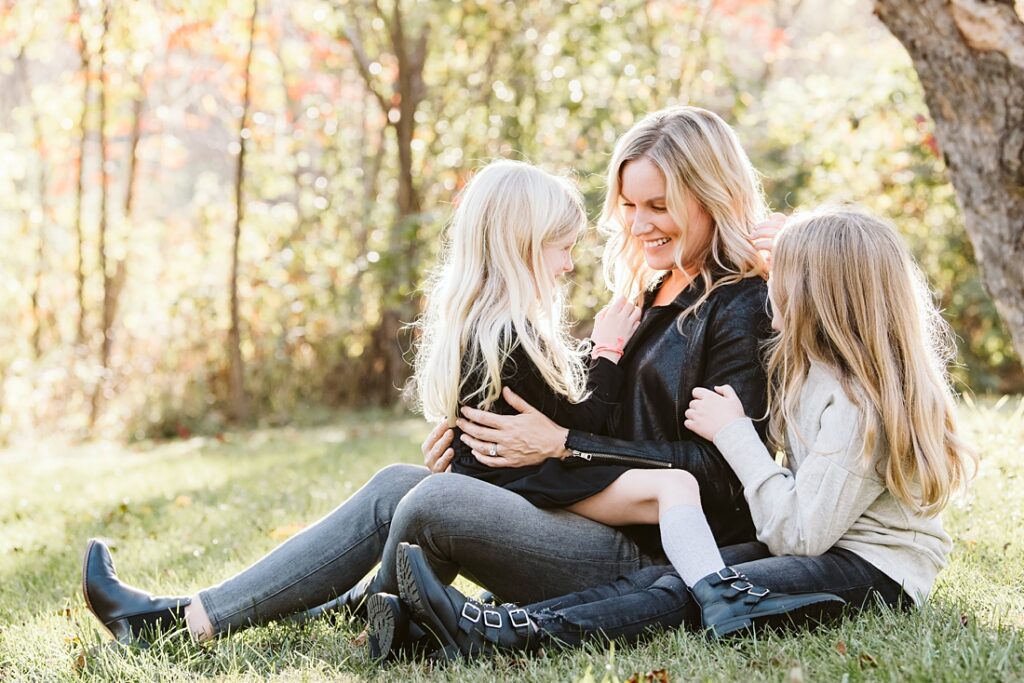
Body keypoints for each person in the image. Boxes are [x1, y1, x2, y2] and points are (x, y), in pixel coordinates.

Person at [80, 106, 778, 651]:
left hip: (645, 550)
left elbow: (722, 476)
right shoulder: (642, 296)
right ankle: (184, 618)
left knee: (434, 504)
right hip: (583, 511)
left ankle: (376, 613)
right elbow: (568, 411)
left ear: (710, 194)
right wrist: (481, 453)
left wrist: (560, 443)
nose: (638, 223)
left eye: (659, 206)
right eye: (630, 204)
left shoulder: (740, 303)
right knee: (397, 484)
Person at [392, 207, 976, 658]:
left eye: (783, 277)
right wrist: (795, 239)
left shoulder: (857, 405)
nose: (766, 285)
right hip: (823, 543)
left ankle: (506, 634)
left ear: (823, 294)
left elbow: (801, 536)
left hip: (872, 570)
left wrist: (736, 437)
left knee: (690, 593)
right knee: (675, 575)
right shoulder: (815, 365)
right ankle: (470, 624)